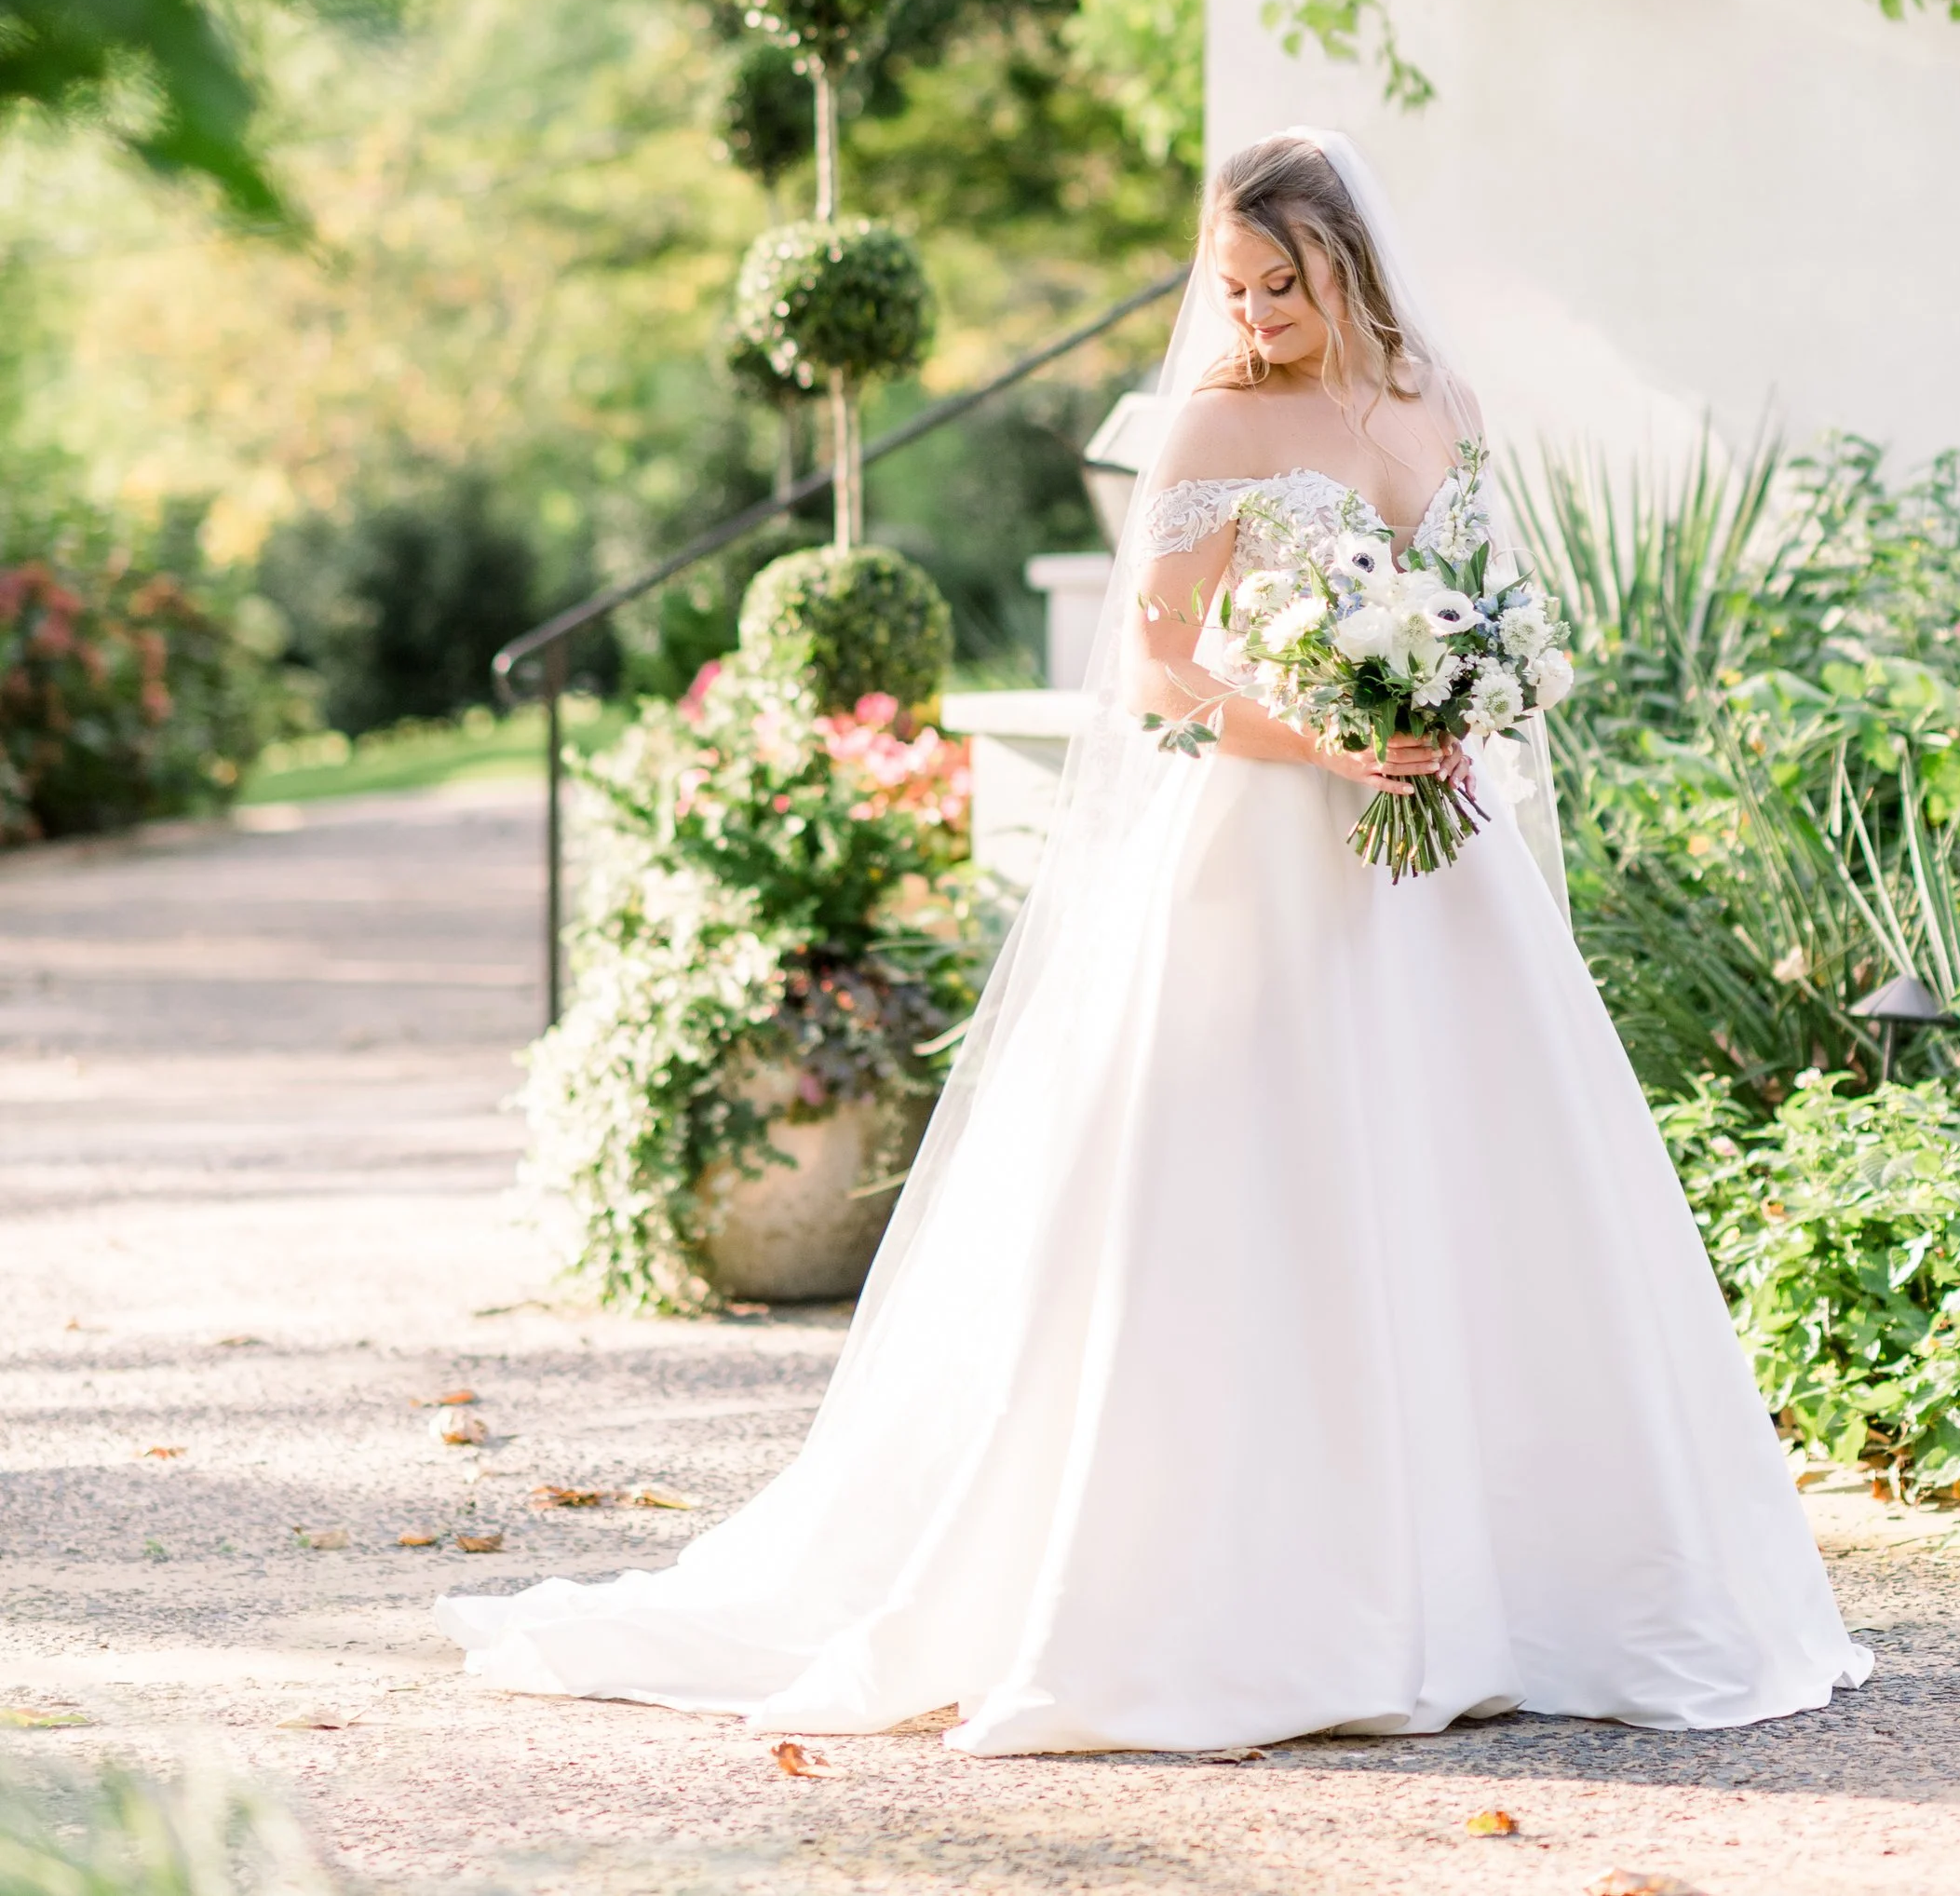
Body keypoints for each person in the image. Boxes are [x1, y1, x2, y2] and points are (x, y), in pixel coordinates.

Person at [439, 129, 1868, 1750]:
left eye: (1286, 282)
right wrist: (1333, 734)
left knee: (1474, 1176)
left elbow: (1478, 602)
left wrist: (1458, 707)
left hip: (1437, 853)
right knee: (1253, 1186)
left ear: (1352, 264)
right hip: (1264, 844)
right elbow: (1161, 671)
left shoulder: (1442, 404)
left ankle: (1510, 1580)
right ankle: (1257, 1591)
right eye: (1235, 283)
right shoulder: (1215, 421)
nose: (1255, 312)